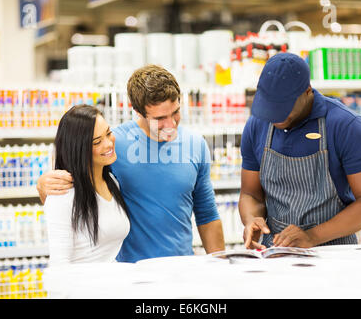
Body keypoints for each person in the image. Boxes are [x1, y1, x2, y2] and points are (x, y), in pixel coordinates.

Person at [38, 65, 225, 263]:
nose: (171, 125)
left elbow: (207, 213)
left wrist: (220, 266)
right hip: (131, 275)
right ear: (137, 111)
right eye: (160, 118)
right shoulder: (111, 145)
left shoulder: (196, 145)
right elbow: (74, 192)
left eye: (176, 112)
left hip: (181, 268)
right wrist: (43, 185)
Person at [239, 52, 361, 249]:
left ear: (307, 91)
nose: (274, 115)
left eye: (283, 107)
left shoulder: (347, 126)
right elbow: (251, 194)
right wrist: (252, 219)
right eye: (269, 106)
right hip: (274, 252)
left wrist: (312, 236)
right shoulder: (257, 125)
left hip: (335, 254)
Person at [44, 105, 130, 266]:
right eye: (97, 142)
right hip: (84, 288)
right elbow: (60, 265)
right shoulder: (63, 195)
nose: (108, 143)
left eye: (109, 133)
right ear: (79, 149)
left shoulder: (112, 182)